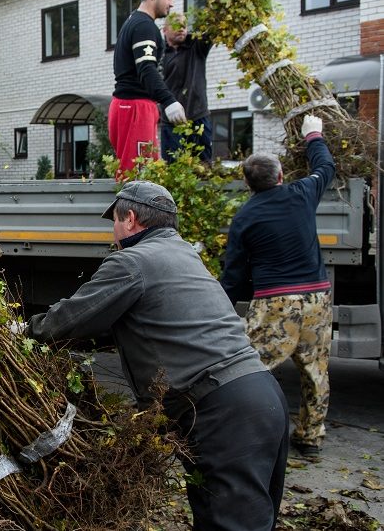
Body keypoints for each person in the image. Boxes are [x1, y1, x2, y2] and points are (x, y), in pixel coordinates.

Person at [26, 180, 288, 530]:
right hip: (262, 396)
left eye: (115, 222)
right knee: (254, 519)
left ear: (130, 219)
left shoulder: (132, 261)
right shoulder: (184, 255)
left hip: (225, 413)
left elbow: (69, 320)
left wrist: (24, 331)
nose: (114, 233)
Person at [220, 115, 335, 458]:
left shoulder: (244, 217)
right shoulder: (303, 193)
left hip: (275, 304)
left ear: (248, 184)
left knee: (252, 369)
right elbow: (325, 165)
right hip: (316, 299)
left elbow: (236, 275)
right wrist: (313, 134)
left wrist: (220, 306)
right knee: (315, 369)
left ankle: (244, 436)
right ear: (282, 177)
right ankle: (311, 439)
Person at [110, 0, 187, 179]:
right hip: (135, 106)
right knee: (137, 177)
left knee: (141, 174)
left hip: (128, 105)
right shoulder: (144, 26)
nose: (171, 4)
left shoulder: (133, 22)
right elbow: (146, 68)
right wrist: (169, 100)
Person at [160, 13, 213, 163]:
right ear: (165, 30)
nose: (182, 29)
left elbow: (213, 30)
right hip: (171, 120)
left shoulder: (196, 46)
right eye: (176, 25)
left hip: (198, 116)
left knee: (204, 166)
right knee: (173, 166)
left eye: (184, 25)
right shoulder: (160, 54)